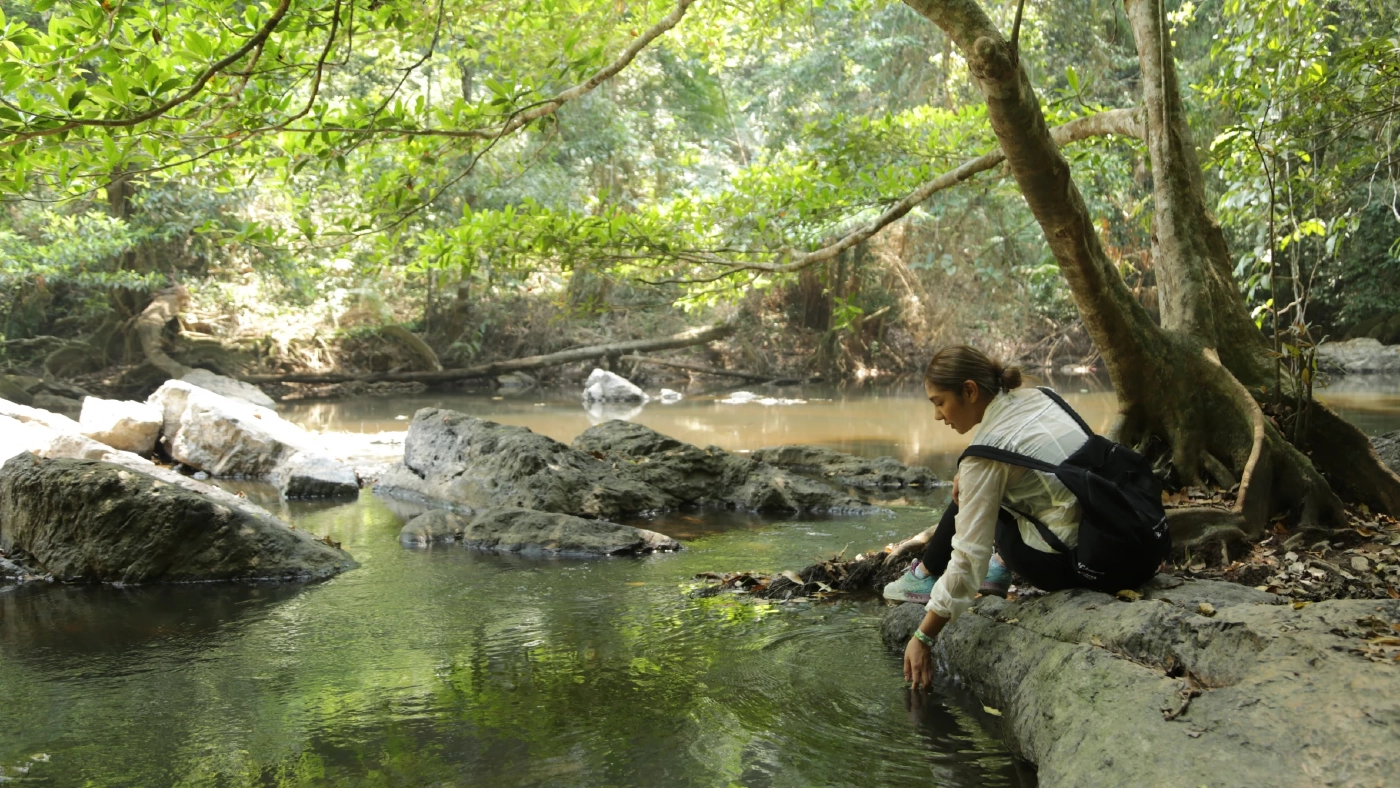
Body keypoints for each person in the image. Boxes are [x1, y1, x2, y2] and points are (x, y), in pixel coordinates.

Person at [887, 345, 1093, 690]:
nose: (938, 416)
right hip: (1104, 535)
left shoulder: (984, 456)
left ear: (969, 391)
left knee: (974, 493)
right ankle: (930, 572)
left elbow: (968, 561)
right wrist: (970, 479)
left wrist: (923, 637)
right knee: (973, 484)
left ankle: (938, 574)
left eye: (939, 402)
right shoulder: (1042, 396)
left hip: (1069, 564)